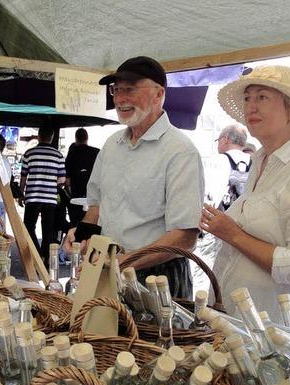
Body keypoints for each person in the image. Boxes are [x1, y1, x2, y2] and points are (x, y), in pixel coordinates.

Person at [200, 65, 290, 327]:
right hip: (239, 324)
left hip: (278, 332)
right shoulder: (262, 160)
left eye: (262, 97)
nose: (250, 107)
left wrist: (233, 234)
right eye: (247, 98)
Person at [64, 56, 204, 299]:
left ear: (159, 94)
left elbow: (184, 238)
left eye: (130, 89)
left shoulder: (180, 151)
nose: (120, 99)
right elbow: (97, 205)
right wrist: (83, 235)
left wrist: (123, 261)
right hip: (112, 266)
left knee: (155, 338)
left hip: (159, 278)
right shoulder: (111, 145)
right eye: (116, 90)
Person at [20, 126, 66, 265]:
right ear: (51, 138)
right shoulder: (58, 155)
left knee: (28, 227)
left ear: (38, 136)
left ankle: (36, 254)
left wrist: (21, 193)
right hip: (50, 198)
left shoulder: (29, 153)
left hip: (32, 197)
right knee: (48, 229)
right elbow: (62, 180)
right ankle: (45, 259)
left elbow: (23, 176)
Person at [65, 127, 100, 227]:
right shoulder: (97, 152)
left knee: (76, 225)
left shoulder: (71, 154)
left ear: (76, 138)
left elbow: (67, 181)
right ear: (87, 138)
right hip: (93, 197)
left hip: (76, 196)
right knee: (91, 226)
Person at [213, 124, 252, 211]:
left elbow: (211, 194)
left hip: (221, 216)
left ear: (226, 139)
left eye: (218, 140)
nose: (218, 144)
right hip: (243, 217)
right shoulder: (253, 162)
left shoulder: (220, 160)